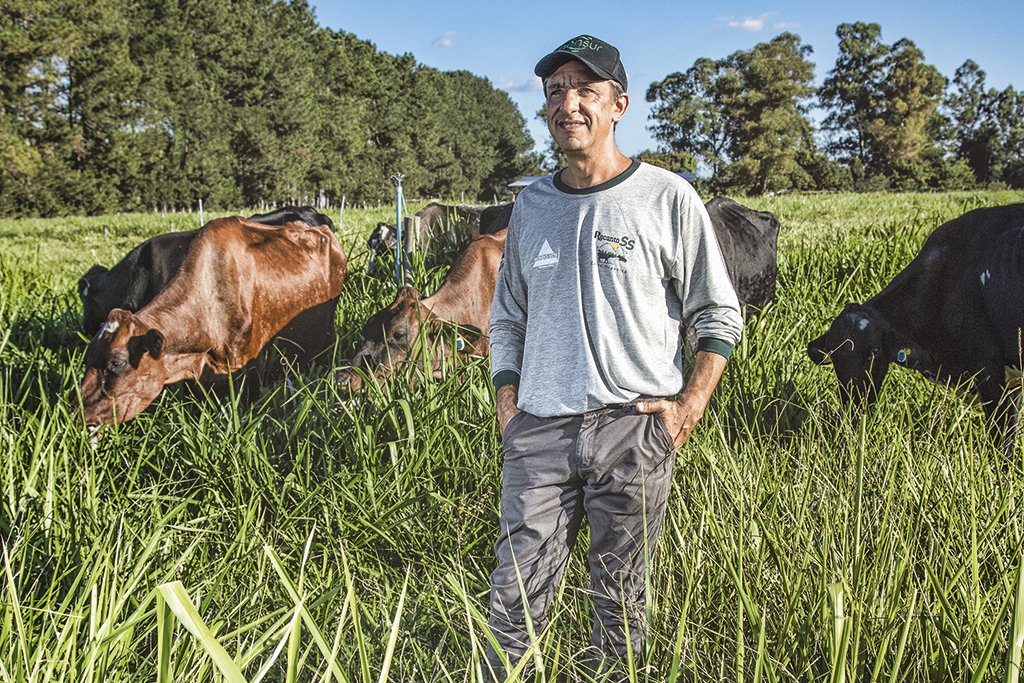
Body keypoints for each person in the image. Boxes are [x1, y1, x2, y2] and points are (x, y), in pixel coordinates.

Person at [486, 34, 743, 677]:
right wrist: (507, 405)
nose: (568, 104)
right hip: (538, 432)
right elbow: (507, 316)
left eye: (586, 91)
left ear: (619, 104)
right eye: (555, 92)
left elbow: (718, 311)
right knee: (514, 600)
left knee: (621, 601)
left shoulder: (667, 197)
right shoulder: (531, 206)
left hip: (633, 427)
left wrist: (687, 406)